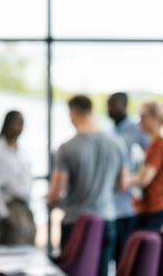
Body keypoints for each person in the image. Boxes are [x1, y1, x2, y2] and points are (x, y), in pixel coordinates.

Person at [47, 95, 129, 276]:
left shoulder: (67, 147)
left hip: (75, 223)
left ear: (73, 113)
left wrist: (50, 202)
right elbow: (123, 184)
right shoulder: (117, 143)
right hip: (106, 219)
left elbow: (57, 192)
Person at [107, 92, 149, 263]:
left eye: (114, 104)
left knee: (123, 258)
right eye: (108, 105)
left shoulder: (135, 129)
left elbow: (150, 155)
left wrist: (135, 178)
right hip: (108, 204)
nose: (110, 109)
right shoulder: (108, 130)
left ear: (124, 105)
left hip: (125, 203)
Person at [0, 111, 36, 245]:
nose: (19, 127)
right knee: (12, 255)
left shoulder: (21, 151)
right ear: (7, 124)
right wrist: (4, 215)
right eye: (17, 122)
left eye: (22, 123)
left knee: (28, 254)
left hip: (25, 208)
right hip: (10, 209)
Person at [130, 100, 163, 230]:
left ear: (155, 118)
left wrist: (126, 179)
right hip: (151, 208)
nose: (140, 120)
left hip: (154, 209)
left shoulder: (160, 145)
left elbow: (144, 179)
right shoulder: (155, 144)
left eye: (143, 116)